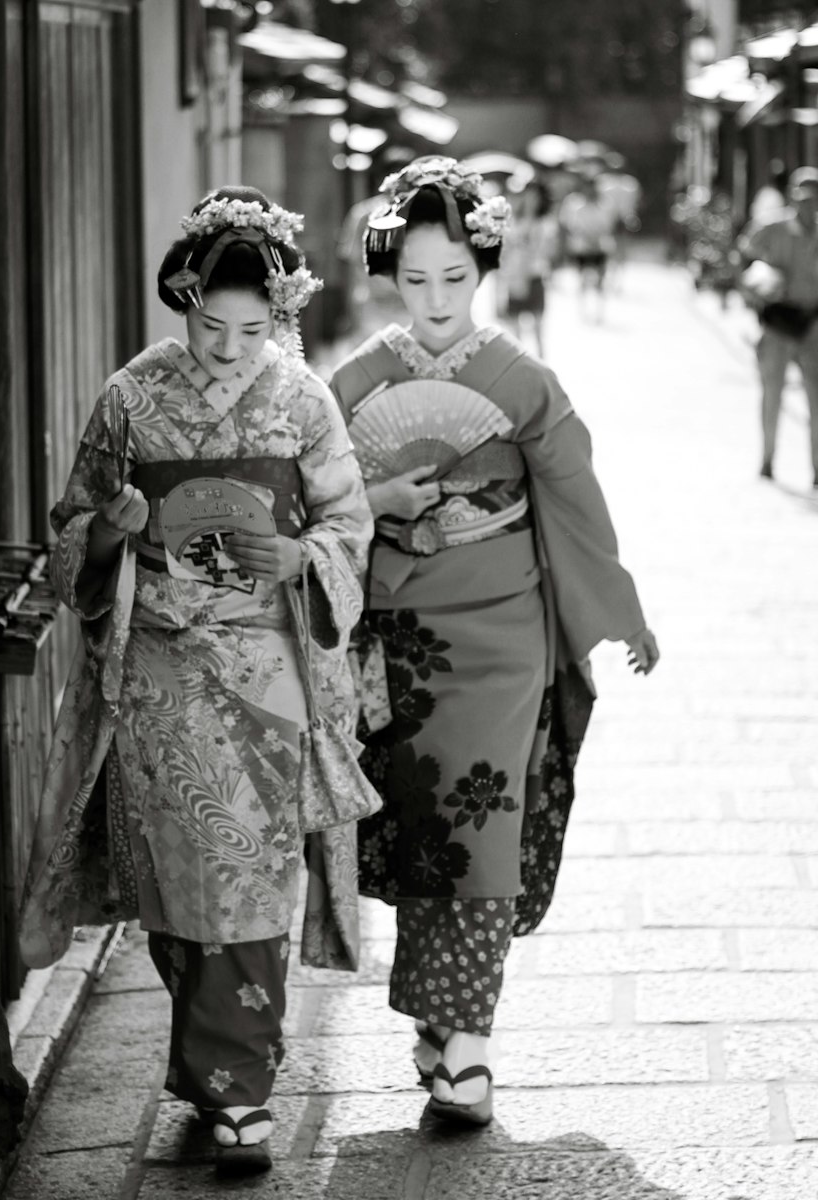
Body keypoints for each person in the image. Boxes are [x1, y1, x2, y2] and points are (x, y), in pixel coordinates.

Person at [18, 187, 374, 1173]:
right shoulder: (130, 398)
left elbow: (349, 522)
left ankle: (241, 1096)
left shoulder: (303, 399)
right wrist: (114, 529)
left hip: (266, 667)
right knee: (181, 888)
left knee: (248, 877)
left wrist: (306, 559)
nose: (226, 348)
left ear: (280, 318)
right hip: (162, 667)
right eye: (210, 326)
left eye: (251, 329)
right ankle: (212, 1078)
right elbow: (68, 531)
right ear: (182, 303)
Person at [329, 156, 659, 1128]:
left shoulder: (521, 380)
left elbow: (575, 501)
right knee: (423, 831)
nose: (435, 302)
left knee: (485, 828)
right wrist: (374, 498)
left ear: (487, 268)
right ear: (392, 273)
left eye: (456, 279)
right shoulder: (355, 380)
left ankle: (468, 1043)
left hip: (504, 632)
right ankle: (439, 1020)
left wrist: (618, 612)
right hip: (401, 636)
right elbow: (314, 498)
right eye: (416, 279)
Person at [738, 165, 818, 487]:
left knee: (816, 399)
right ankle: (768, 459)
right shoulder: (771, 227)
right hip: (778, 322)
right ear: (793, 199)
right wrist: (757, 287)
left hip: (813, 324)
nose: (809, 207)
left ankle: (816, 470)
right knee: (772, 394)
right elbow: (744, 254)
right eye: (804, 200)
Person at [497, 177, 559, 357]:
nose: (530, 199)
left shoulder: (546, 223)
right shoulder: (512, 221)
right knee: (516, 332)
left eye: (535, 196)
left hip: (534, 277)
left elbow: (546, 251)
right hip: (515, 278)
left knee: (538, 331)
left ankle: (541, 366)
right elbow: (506, 251)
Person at [558, 172, 618, 321]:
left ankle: (599, 312)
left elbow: (609, 225)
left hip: (600, 247)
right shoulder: (574, 204)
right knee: (582, 279)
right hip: (581, 248)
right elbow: (568, 225)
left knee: (600, 281)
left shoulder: (605, 204)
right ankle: (583, 310)